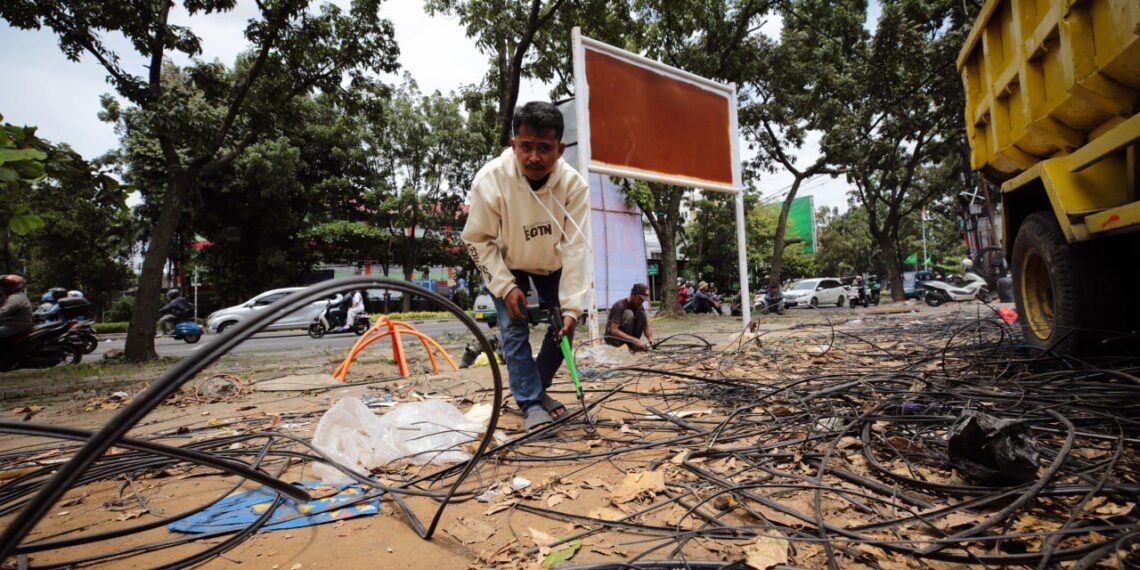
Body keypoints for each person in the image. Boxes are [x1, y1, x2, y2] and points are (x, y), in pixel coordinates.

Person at [462, 101, 590, 432]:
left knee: (564, 327)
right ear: (513, 144)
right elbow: (477, 239)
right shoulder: (490, 180)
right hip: (508, 260)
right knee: (514, 327)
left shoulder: (574, 186)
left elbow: (577, 247)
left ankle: (536, 386)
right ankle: (531, 402)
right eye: (526, 147)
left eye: (545, 148)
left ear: (560, 149)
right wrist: (505, 286)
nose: (535, 158)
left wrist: (574, 308)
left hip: (552, 262)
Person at [605, 283, 656, 351]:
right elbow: (614, 331)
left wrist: (650, 338)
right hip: (612, 339)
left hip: (629, 339)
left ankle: (631, 344)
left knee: (642, 315)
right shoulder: (620, 306)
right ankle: (626, 344)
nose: (642, 302)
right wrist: (635, 340)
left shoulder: (639, 306)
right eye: (640, 299)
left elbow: (646, 324)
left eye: (643, 300)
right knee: (629, 313)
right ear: (633, 294)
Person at [0, 275, 34, 341]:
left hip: (17, 326)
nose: (3, 287)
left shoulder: (16, 297)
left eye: (6, 285)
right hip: (10, 324)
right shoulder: (7, 297)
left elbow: (4, 311)